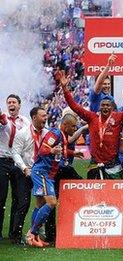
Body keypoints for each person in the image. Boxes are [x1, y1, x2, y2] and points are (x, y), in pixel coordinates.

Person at [59, 70, 123, 179]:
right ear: (99, 107)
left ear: (112, 108)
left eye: (108, 105)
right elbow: (75, 107)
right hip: (94, 164)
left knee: (114, 194)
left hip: (113, 165)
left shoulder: (119, 117)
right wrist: (65, 89)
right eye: (103, 105)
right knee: (94, 193)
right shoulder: (92, 117)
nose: (105, 107)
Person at [26, 113, 79, 247]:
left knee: (39, 204)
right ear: (65, 125)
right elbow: (43, 149)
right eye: (73, 126)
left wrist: (74, 153)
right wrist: (52, 151)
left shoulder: (63, 136)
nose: (75, 128)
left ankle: (34, 237)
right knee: (52, 202)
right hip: (42, 173)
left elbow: (62, 151)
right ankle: (32, 233)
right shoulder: (55, 133)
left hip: (46, 173)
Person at [9, 107, 48, 244]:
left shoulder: (47, 134)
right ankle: (15, 236)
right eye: (43, 116)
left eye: (46, 115)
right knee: (23, 203)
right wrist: (24, 168)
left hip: (40, 172)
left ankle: (41, 235)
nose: (45, 118)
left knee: (45, 202)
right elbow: (15, 153)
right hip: (25, 171)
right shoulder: (23, 133)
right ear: (34, 117)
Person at [0, 94, 30, 242]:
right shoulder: (2, 118)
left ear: (19, 105)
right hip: (2, 160)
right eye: (9, 102)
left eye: (14, 102)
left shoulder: (25, 122)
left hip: (18, 163)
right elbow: (4, 123)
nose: (11, 104)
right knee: (1, 197)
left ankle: (15, 234)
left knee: (19, 199)